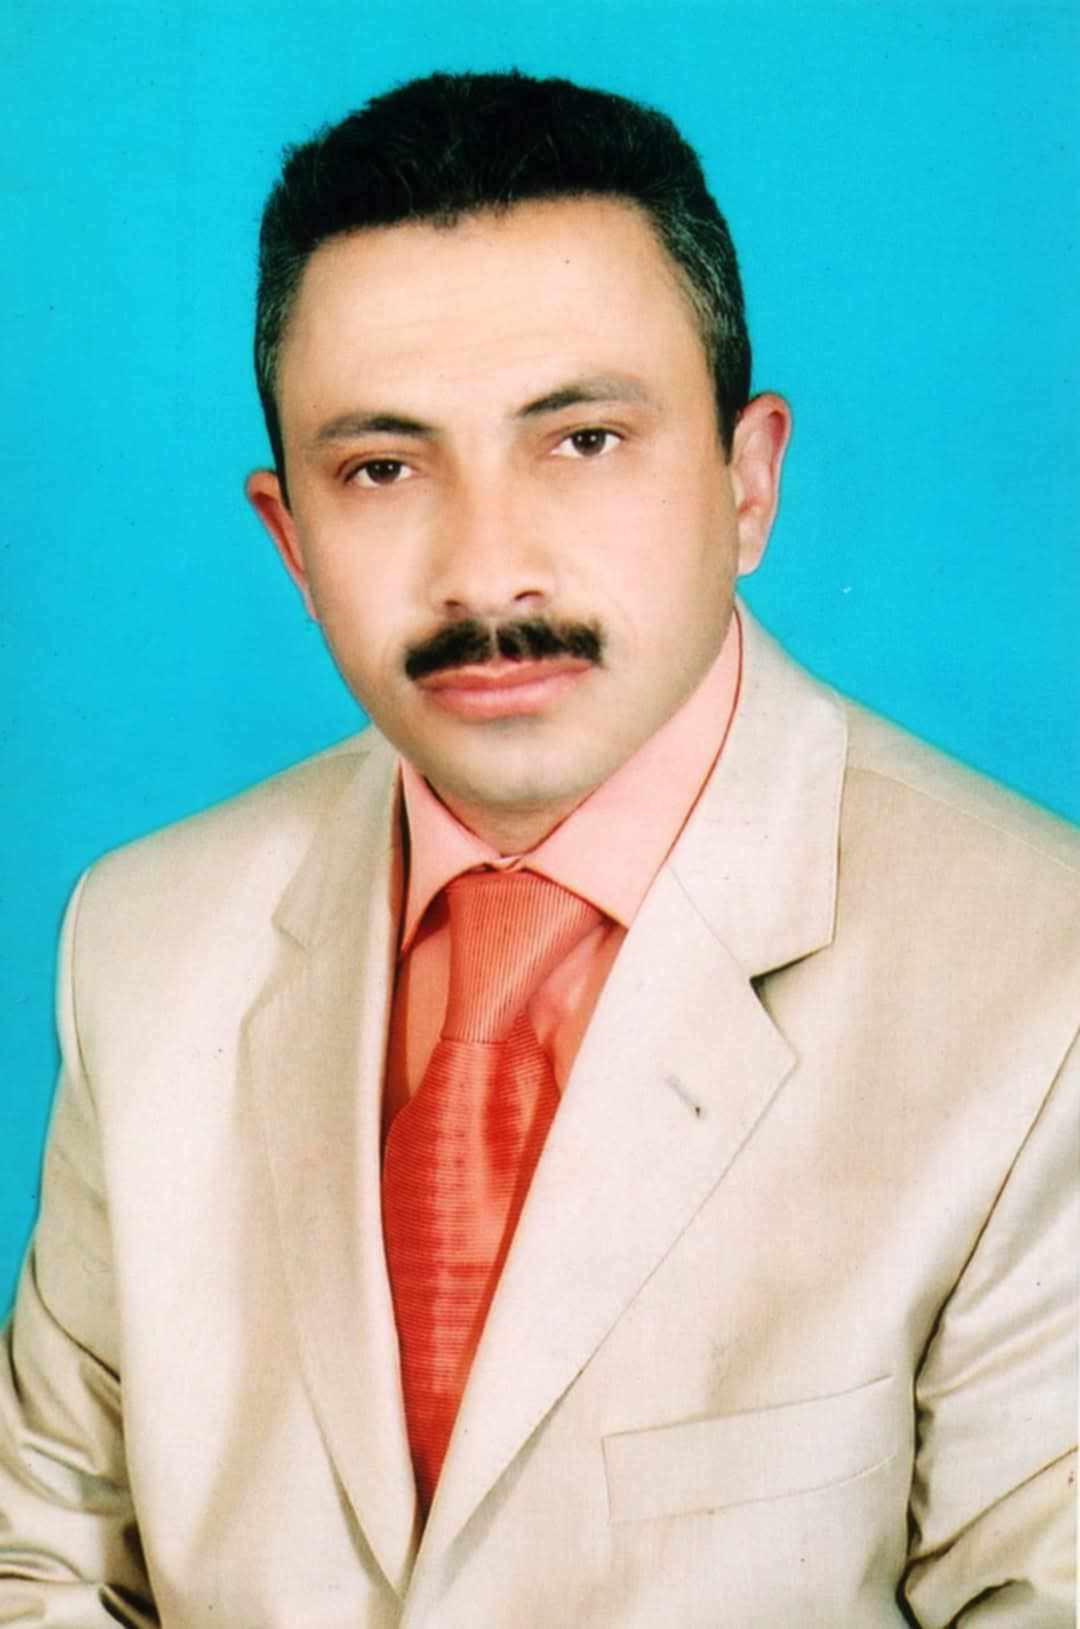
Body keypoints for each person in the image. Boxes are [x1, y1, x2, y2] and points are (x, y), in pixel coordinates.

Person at [0, 69, 1075, 1628]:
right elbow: (39, 1560)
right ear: (291, 539)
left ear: (748, 481)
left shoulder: (1039, 977)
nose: (487, 568)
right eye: (383, 468)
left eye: (582, 440)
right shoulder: (142, 933)